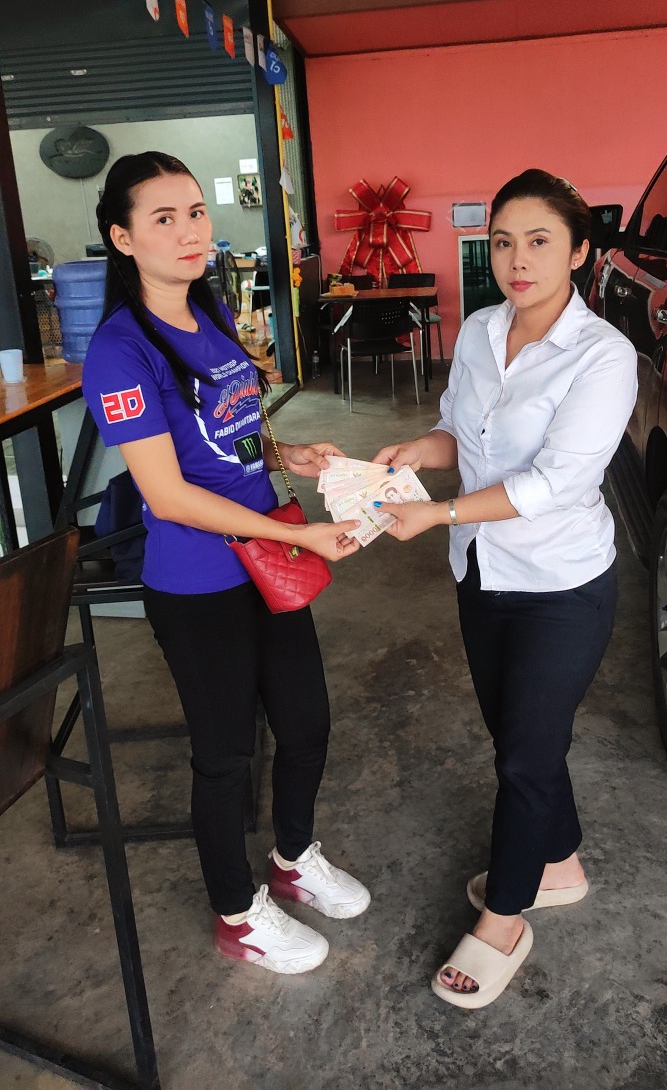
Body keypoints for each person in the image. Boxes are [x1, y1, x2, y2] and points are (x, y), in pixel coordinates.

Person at [82, 151, 369, 977]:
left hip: (265, 560)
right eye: (164, 218)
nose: (190, 231)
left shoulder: (207, 311)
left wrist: (288, 453)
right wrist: (304, 538)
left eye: (196, 212)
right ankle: (238, 912)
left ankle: (293, 858)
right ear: (123, 238)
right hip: (198, 583)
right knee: (225, 754)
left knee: (306, 723)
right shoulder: (120, 351)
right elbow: (168, 494)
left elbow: (230, 431)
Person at [373, 169, 637, 1009]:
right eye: (502, 242)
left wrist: (439, 513)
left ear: (580, 251)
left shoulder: (603, 356)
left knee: (525, 753)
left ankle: (506, 917)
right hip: (482, 572)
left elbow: (556, 481)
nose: (518, 260)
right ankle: (558, 862)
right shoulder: (483, 330)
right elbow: (461, 430)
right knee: (523, 738)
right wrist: (417, 452)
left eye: (540, 241)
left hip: (562, 582)